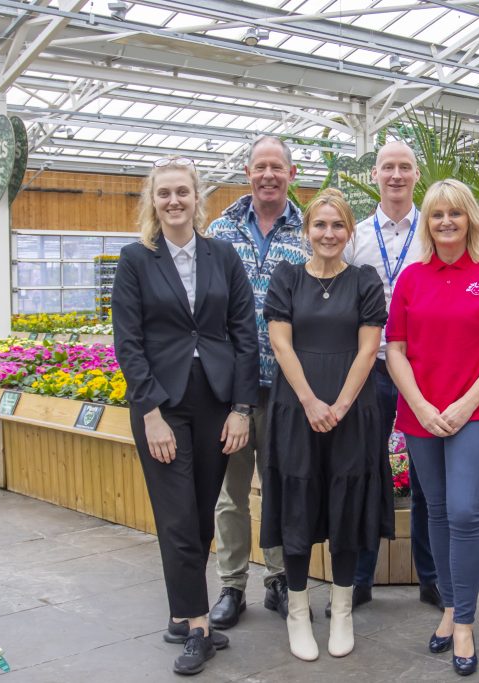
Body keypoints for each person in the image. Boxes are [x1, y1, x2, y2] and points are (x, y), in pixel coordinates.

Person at [112, 157, 258, 676]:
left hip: (215, 400)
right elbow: (128, 343)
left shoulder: (223, 257)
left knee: (199, 513)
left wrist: (242, 408)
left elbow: (245, 335)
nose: (174, 201)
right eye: (164, 193)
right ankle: (198, 626)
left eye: (183, 192)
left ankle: (181, 610)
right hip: (161, 403)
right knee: (176, 514)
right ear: (153, 201)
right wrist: (149, 412)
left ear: (198, 199)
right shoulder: (135, 260)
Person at [385, 179, 479, 676]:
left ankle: (463, 620)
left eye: (455, 214)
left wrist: (464, 405)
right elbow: (395, 351)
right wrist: (420, 405)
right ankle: (448, 608)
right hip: (421, 413)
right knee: (437, 512)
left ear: (470, 220)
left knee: (465, 511)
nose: (446, 222)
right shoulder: (411, 278)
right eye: (437, 215)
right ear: (427, 222)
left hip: (476, 412)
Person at [260, 189, 393, 661]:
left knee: (347, 501)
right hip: (298, 408)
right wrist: (312, 402)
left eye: (338, 226)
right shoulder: (287, 277)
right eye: (320, 225)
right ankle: (298, 611)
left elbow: (368, 348)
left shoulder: (364, 280)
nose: (329, 234)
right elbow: (281, 344)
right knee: (297, 501)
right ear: (307, 231)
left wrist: (339, 404)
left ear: (349, 231)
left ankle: (341, 610)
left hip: (353, 410)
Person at [207, 135, 308, 629]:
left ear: (292, 173)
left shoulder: (310, 231)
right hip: (230, 393)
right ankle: (230, 585)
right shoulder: (219, 230)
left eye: (277, 167)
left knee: (280, 489)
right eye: (260, 166)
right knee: (230, 492)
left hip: (289, 389)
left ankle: (280, 579)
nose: (268, 174)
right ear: (247, 172)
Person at [341, 140, 441, 613]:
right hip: (372, 369)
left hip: (425, 369)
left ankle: (431, 577)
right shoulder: (356, 236)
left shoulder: (437, 232)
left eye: (404, 167)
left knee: (426, 476)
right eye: (388, 167)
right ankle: (360, 578)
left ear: (415, 175)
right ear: (375, 176)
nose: (396, 175)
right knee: (366, 471)